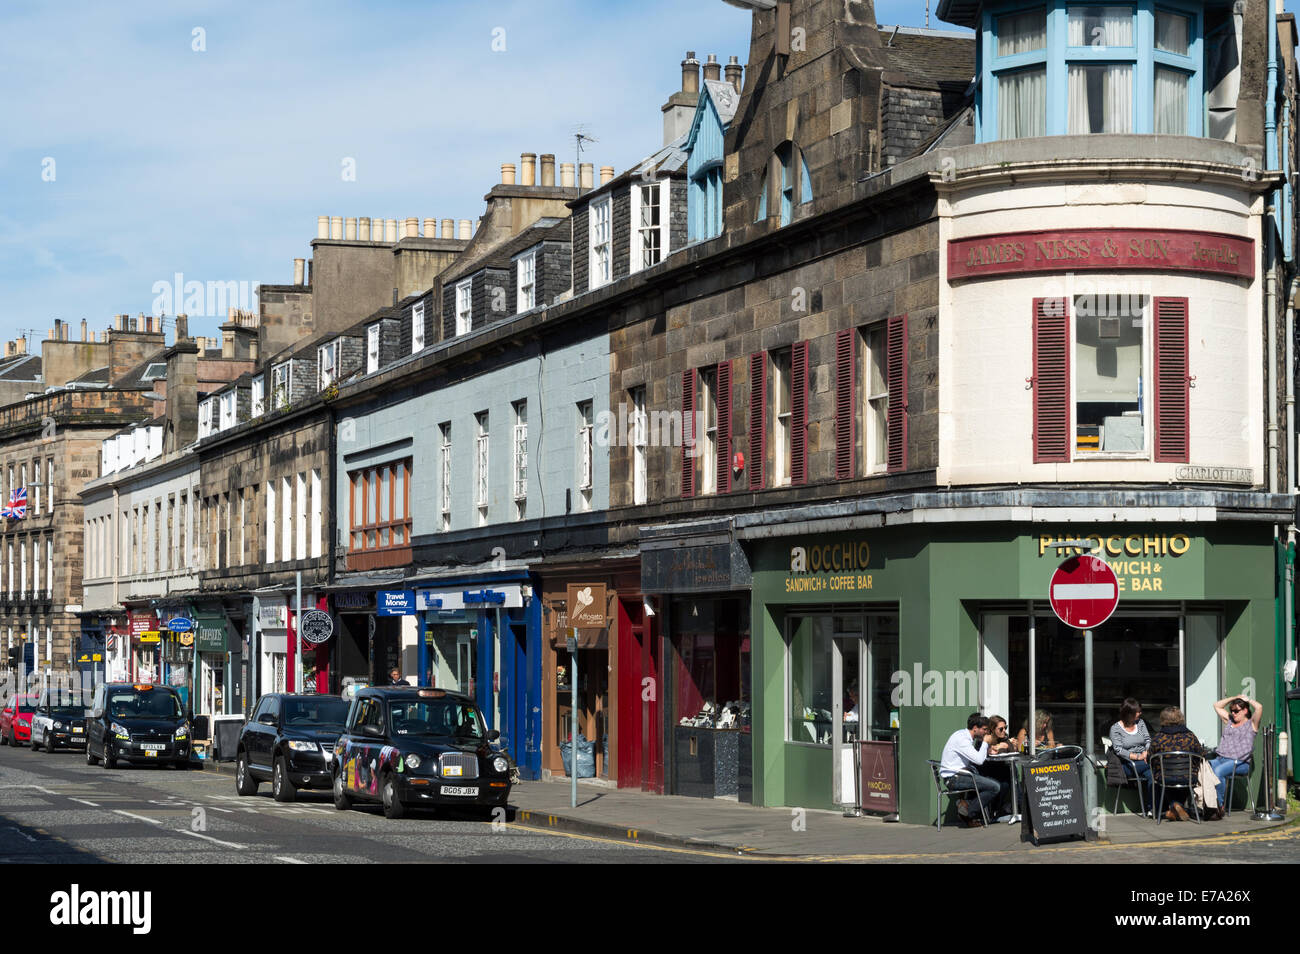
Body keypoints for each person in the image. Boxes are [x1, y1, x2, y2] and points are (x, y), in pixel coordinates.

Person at [939, 713, 1005, 827]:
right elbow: (979, 760)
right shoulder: (963, 740)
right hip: (954, 778)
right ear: (975, 728)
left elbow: (974, 757)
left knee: (990, 779)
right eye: (984, 729)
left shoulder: (962, 735)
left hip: (959, 774)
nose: (986, 732)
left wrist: (987, 750)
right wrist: (985, 743)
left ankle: (964, 805)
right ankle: (967, 812)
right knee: (995, 787)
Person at [1208, 696, 1262, 819]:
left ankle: (1218, 806)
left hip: (1240, 762)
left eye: (1236, 711)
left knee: (1218, 772)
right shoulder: (1230, 721)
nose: (1233, 713)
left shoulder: (1251, 725)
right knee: (1204, 767)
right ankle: (1205, 804)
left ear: (1245, 711)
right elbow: (1216, 705)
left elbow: (1259, 707)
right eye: (1232, 710)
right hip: (1220, 758)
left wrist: (1247, 700)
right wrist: (1235, 697)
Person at [1148, 706, 1205, 821]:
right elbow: (1200, 755)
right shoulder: (1190, 736)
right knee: (1182, 780)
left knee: (1162, 779)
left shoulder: (1158, 738)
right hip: (1188, 777)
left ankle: (1172, 807)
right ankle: (1178, 807)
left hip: (1165, 778)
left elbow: (1150, 758)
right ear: (1180, 718)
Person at [1109, 697, 1153, 813]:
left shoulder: (1141, 723)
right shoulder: (1115, 729)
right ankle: (1154, 808)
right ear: (1128, 713)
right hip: (1127, 764)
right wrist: (1138, 757)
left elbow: (1148, 740)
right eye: (1137, 711)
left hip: (1144, 760)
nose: (1140, 713)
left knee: (1152, 776)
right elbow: (1118, 750)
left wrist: (1146, 752)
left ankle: (1151, 809)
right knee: (1155, 766)